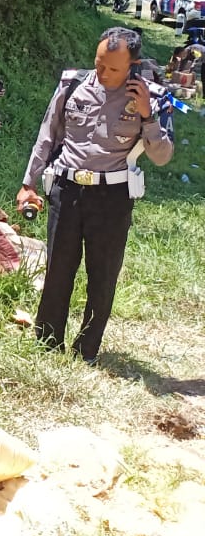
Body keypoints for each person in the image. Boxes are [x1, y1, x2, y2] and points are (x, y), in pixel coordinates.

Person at [18, 26, 174, 364]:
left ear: (133, 64)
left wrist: (147, 114)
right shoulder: (73, 85)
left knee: (102, 274)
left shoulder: (153, 98)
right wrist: (28, 183)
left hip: (112, 197)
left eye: (113, 68)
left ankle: (86, 350)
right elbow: (47, 135)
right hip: (66, 189)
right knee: (58, 268)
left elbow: (162, 155)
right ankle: (47, 341)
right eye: (99, 63)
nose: (102, 73)